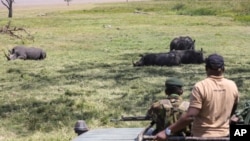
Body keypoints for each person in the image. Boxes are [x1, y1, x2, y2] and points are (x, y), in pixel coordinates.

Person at [154, 53, 239, 141]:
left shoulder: (201, 86)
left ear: (206, 68)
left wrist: (167, 131)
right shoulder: (232, 86)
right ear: (223, 69)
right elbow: (233, 109)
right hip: (225, 136)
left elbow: (190, 116)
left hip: (202, 136)